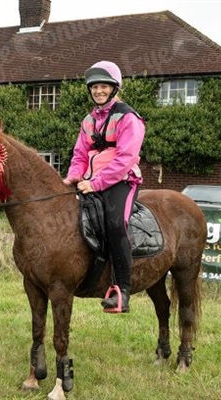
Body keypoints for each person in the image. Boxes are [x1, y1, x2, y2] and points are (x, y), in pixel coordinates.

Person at [63, 60, 145, 313]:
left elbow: (125, 158)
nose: (98, 91)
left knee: (114, 224)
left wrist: (96, 183)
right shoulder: (89, 120)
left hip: (120, 181)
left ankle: (123, 290)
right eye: (94, 87)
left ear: (114, 88)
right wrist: (73, 177)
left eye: (103, 86)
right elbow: (79, 153)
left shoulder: (128, 117)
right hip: (88, 181)